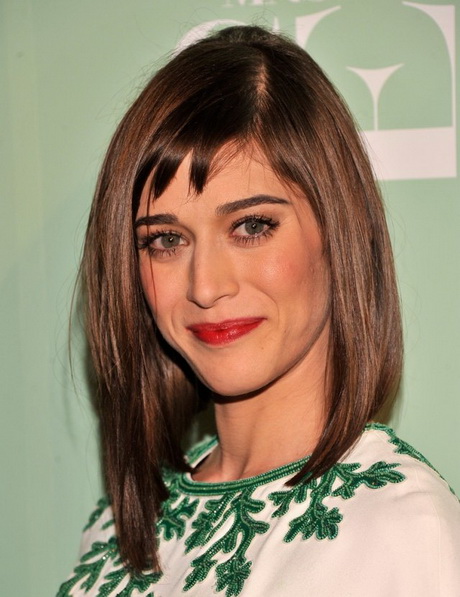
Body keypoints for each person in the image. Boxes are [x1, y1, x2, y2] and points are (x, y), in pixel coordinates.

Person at [58, 25, 460, 597]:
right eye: (166, 240)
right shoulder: (119, 529)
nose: (205, 286)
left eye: (251, 226)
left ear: (339, 233)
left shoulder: (401, 533)